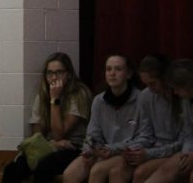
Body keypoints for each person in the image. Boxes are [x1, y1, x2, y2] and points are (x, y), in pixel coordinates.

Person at [2, 52, 93, 183]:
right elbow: (37, 134)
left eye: (59, 72)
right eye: (49, 73)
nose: (54, 78)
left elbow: (59, 134)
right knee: (13, 168)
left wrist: (54, 100)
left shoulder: (79, 94)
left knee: (44, 167)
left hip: (73, 147)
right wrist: (53, 144)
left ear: (68, 74)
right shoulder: (43, 94)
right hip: (50, 145)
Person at [62, 54, 151, 183]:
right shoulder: (99, 100)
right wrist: (89, 151)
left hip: (125, 152)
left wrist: (113, 149)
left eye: (118, 69)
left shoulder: (141, 99)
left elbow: (145, 138)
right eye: (108, 69)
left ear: (129, 74)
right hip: (103, 151)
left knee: (98, 171)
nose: (112, 73)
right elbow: (92, 134)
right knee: (70, 174)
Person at [108, 55, 183, 183]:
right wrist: (133, 150)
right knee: (117, 172)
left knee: (141, 173)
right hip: (154, 149)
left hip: (174, 152)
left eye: (153, 84)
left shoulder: (181, 98)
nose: (151, 89)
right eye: (146, 85)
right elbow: (146, 135)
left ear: (165, 78)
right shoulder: (146, 96)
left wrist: (149, 154)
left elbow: (183, 142)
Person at [144, 59, 193, 183]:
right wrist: (187, 152)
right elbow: (189, 133)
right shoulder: (186, 101)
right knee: (165, 171)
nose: (175, 92)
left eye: (178, 88)